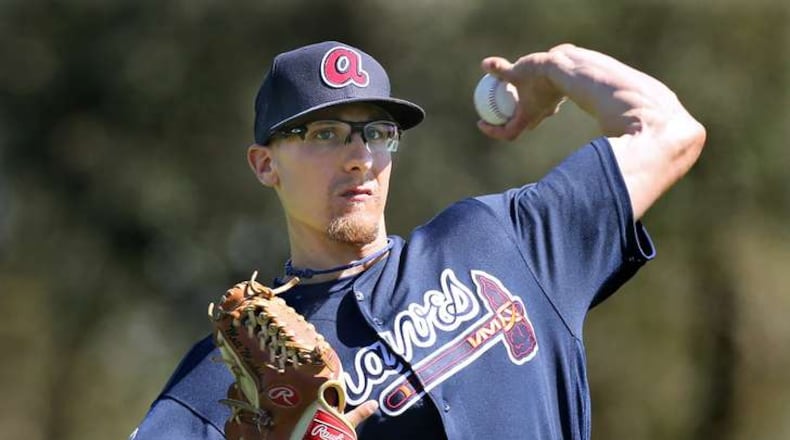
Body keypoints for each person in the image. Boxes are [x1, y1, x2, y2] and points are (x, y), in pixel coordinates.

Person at [130, 40, 705, 439]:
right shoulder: (235, 372)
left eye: (377, 133)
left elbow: (670, 131)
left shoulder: (506, 242)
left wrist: (559, 66)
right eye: (324, 133)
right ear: (264, 164)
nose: (359, 158)